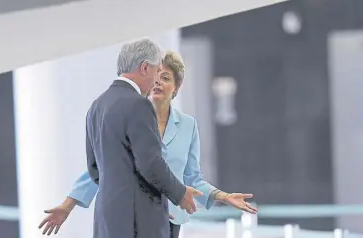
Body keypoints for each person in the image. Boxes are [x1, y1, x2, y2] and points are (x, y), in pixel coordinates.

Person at [39, 50, 258, 238]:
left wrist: (223, 196)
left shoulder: (188, 126)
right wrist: (68, 205)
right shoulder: (131, 116)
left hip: (173, 216)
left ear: (176, 87)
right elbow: (104, 167)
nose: (158, 82)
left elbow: (191, 177)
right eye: (156, 76)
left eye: (165, 78)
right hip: (139, 214)